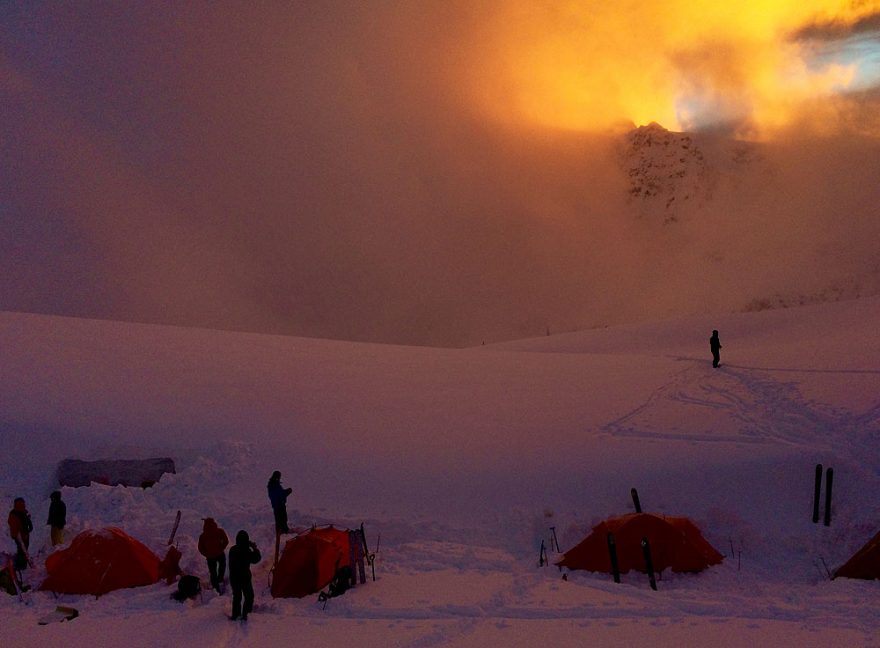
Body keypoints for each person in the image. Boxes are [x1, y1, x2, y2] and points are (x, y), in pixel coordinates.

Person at [228, 530, 261, 621]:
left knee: (237, 596)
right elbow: (257, 559)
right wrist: (254, 548)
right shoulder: (247, 551)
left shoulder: (233, 550)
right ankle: (246, 615)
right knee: (249, 596)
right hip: (245, 578)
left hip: (234, 578)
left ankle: (235, 615)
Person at [198, 517, 229, 594]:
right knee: (222, 566)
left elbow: (200, 548)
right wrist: (221, 548)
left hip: (210, 557)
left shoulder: (203, 535)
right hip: (220, 554)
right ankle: (220, 579)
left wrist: (206, 554)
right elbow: (226, 541)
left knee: (213, 572)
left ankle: (216, 588)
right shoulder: (219, 531)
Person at [7, 498, 33, 572]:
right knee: (22, 549)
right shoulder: (14, 514)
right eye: (22, 503)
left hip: (24, 534)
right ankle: (21, 565)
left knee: (24, 548)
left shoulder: (21, 512)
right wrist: (19, 533)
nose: (24, 504)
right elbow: (14, 525)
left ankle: (22, 563)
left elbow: (26, 519)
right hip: (19, 535)